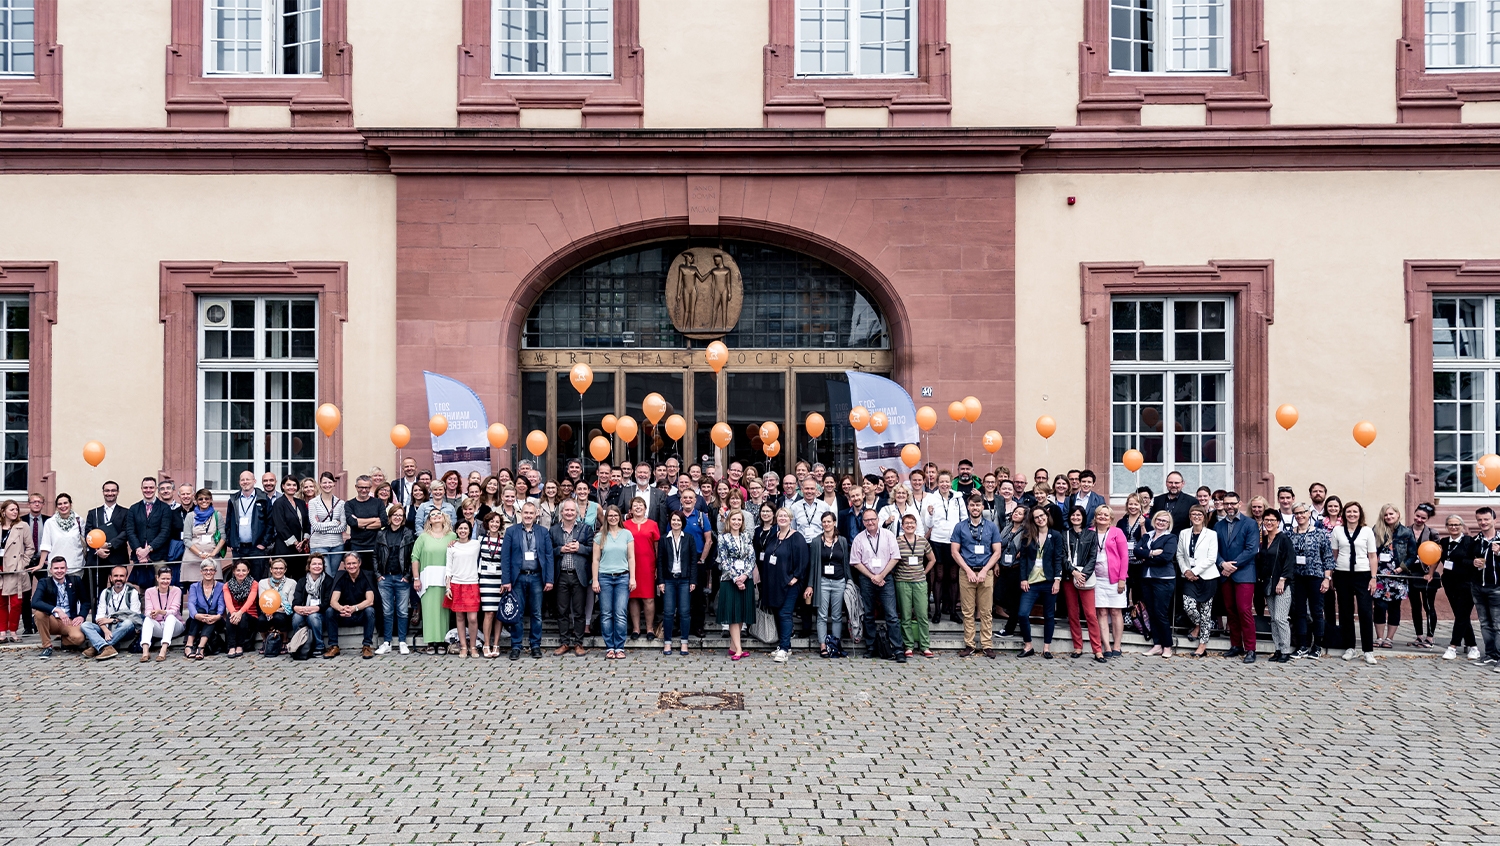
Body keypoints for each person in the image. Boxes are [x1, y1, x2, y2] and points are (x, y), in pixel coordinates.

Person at [849, 507, 905, 662]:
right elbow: (855, 561)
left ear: (878, 519)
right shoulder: (859, 538)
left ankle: (898, 649)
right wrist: (873, 576)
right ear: (863, 522)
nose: (870, 522)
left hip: (885, 578)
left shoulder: (888, 536)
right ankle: (871, 646)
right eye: (866, 520)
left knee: (892, 615)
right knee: (868, 614)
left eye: (872, 519)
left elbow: (895, 557)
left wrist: (881, 576)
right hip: (867, 579)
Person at [951, 495, 1002, 659]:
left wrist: (984, 570)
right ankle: (970, 645)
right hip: (966, 572)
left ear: (982, 507)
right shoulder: (960, 527)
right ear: (968, 506)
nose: (975, 508)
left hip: (985, 572)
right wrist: (968, 570)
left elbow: (997, 552)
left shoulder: (991, 527)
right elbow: (954, 552)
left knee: (986, 611)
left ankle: (987, 645)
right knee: (967, 611)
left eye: (978, 505)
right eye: (972, 505)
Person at [501, 501, 553, 660]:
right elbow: (505, 557)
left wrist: (549, 579)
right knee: (517, 613)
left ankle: (535, 645)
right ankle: (516, 646)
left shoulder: (543, 532)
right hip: (518, 577)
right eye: (525, 513)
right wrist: (506, 580)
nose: (528, 516)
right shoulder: (511, 531)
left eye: (531, 513)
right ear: (521, 514)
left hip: (537, 577)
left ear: (536, 514)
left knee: (536, 613)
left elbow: (549, 557)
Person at [1329, 501, 1379, 665]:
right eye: (1349, 511)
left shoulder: (1367, 531)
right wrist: (1332, 574)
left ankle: (1368, 650)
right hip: (1342, 575)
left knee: (1365, 611)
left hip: (1363, 574)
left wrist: (1373, 577)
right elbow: (1334, 554)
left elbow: (1372, 556)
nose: (1352, 514)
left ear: (1360, 514)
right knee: (1345, 612)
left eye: (1355, 512)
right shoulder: (1337, 530)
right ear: (1344, 514)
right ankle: (1349, 647)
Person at [760, 507, 810, 663]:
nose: (782, 518)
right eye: (780, 516)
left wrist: (795, 577)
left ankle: (783, 648)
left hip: (789, 584)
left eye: (785, 516)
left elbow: (804, 559)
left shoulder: (797, 537)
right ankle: (785, 646)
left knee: (784, 614)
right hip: (773, 583)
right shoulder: (773, 537)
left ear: (790, 519)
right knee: (776, 613)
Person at [1215, 492, 1259, 662]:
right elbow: (1214, 550)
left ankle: (1250, 649)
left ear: (1239, 504)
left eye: (1232, 503)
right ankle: (1236, 645)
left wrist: (1231, 566)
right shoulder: (1218, 526)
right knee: (1231, 611)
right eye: (1226, 504)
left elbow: (1251, 550)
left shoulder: (1250, 524)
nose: (1229, 507)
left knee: (1244, 610)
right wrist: (1221, 563)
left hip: (1244, 574)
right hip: (1225, 574)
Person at [1014, 506, 1063, 658]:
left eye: (1042, 515)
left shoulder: (1055, 536)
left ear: (1047, 516)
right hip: (1031, 582)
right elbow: (1022, 559)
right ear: (1033, 520)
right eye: (1036, 517)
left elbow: (1058, 558)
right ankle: (1028, 646)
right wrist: (1023, 578)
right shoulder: (1028, 535)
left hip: (1049, 581)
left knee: (1049, 615)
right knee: (1022, 614)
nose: (1040, 519)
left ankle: (1046, 648)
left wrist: (1057, 580)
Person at [1288, 502, 1334, 659]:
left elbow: (1328, 558)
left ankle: (1317, 645)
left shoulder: (1320, 533)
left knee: (1316, 612)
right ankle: (1302, 645)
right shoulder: (1290, 534)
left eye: (1302, 512)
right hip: (1297, 577)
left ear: (1309, 514)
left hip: (1315, 576)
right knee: (1299, 611)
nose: (1300, 516)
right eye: (1297, 513)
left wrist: (1327, 578)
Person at [1059, 505, 1104, 662]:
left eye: (1079, 515)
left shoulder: (1091, 535)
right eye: (1073, 515)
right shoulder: (1064, 534)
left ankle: (1097, 650)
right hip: (1070, 577)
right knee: (1073, 613)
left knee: (1091, 614)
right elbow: (1063, 556)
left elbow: (1093, 557)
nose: (1076, 517)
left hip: (1085, 577)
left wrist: (1083, 574)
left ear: (1083, 517)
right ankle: (1077, 646)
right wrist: (1074, 572)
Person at [550, 499, 594, 656]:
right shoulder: (554, 530)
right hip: (561, 574)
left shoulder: (586, 529)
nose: (569, 513)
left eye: (572, 511)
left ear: (577, 513)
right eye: (566, 510)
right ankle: (564, 642)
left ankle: (578, 643)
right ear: (561, 512)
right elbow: (548, 552)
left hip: (578, 575)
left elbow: (593, 550)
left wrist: (580, 548)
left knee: (579, 611)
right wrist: (560, 549)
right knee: (562, 611)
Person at [591, 504, 636, 660]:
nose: (612, 518)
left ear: (619, 516)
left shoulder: (627, 534)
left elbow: (631, 557)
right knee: (606, 614)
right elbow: (595, 560)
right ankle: (609, 647)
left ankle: (620, 647)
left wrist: (632, 577)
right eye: (609, 515)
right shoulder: (599, 536)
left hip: (623, 577)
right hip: (604, 577)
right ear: (605, 517)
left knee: (621, 613)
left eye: (615, 515)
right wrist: (595, 580)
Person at [1177, 505, 1219, 659]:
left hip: (1207, 576)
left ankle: (1202, 645)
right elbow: (1180, 555)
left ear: (1204, 517)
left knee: (1206, 612)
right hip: (1188, 576)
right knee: (1188, 606)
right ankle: (1198, 625)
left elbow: (1211, 558)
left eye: (1199, 514)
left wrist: (1195, 571)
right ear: (1190, 516)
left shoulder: (1211, 534)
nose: (1196, 517)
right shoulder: (1184, 533)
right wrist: (1186, 571)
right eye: (1193, 514)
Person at [1135, 510, 1178, 657]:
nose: (1161, 522)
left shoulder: (1170, 537)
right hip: (1147, 578)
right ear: (1154, 520)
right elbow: (1136, 551)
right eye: (1158, 519)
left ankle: (1167, 646)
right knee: (1151, 612)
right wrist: (1152, 553)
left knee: (1161, 613)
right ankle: (1157, 644)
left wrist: (1145, 555)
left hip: (1163, 579)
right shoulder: (1147, 535)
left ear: (1168, 524)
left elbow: (1166, 557)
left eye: (1164, 521)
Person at [1372, 503, 1415, 650]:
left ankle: (1389, 638)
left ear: (1397, 514)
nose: (1389, 517)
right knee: (1379, 606)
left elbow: (1412, 554)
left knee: (1394, 608)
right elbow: (1371, 552)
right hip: (1380, 575)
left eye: (1391, 514)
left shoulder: (1406, 532)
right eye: (1386, 514)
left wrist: (1401, 568)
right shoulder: (1376, 530)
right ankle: (1379, 637)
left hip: (1397, 576)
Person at [806, 511, 849, 657]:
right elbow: (812, 565)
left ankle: (835, 644)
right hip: (823, 582)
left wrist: (849, 582)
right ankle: (823, 645)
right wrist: (810, 585)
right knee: (822, 615)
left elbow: (846, 563)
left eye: (829, 521)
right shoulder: (816, 541)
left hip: (839, 581)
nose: (826, 524)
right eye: (824, 521)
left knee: (837, 616)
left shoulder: (842, 541)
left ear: (834, 522)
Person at [1255, 509, 1296, 663]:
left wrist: (1283, 580)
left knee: (1281, 618)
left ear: (1278, 522)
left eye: (1272, 520)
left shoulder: (1284, 539)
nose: (1269, 523)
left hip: (1281, 584)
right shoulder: (1264, 540)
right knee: (1273, 619)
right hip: (1267, 584)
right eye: (1266, 520)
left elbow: (1289, 561)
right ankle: (1277, 649)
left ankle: (1286, 650)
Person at [1088, 505, 1129, 659]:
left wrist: (1122, 579)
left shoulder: (1117, 532)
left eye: (1106, 515)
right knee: (1102, 612)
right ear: (1095, 516)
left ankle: (1117, 645)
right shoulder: (1089, 532)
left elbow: (1124, 557)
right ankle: (1106, 646)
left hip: (1114, 579)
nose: (1102, 517)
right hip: (1096, 579)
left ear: (1111, 518)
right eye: (1100, 514)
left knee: (1116, 611)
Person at [656, 510, 698, 656]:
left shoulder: (689, 538)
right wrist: (660, 581)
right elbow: (659, 561)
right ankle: (667, 643)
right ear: (670, 522)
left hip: (684, 579)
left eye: (678, 520)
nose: (675, 523)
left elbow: (693, 561)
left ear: (683, 523)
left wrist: (693, 580)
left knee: (684, 612)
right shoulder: (664, 539)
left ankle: (684, 642)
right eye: (673, 520)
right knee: (668, 612)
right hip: (668, 579)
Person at [413, 511, 456, 654]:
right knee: (429, 610)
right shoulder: (423, 537)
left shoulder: (452, 536)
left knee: (443, 611)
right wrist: (416, 578)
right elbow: (415, 558)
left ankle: (443, 641)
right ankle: (430, 642)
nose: (436, 516)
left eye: (439, 514)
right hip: (428, 579)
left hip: (445, 580)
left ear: (444, 518)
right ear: (429, 521)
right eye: (432, 515)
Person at [716, 509, 756, 660]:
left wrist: (744, 576)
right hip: (729, 580)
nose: (736, 522)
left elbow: (752, 558)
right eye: (734, 520)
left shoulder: (746, 536)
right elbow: (724, 560)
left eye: (739, 520)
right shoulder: (723, 538)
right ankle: (739, 649)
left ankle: (733, 646)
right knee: (732, 615)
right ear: (728, 521)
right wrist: (736, 578)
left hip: (746, 579)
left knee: (740, 614)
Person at [1437, 514, 1478, 661]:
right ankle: (1473, 646)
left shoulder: (1469, 541)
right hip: (1449, 583)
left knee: (1461, 615)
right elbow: (1437, 559)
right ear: (1447, 527)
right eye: (1450, 525)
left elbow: (1473, 561)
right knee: (1461, 616)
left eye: (1456, 525)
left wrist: (1460, 561)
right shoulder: (1444, 542)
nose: (1453, 527)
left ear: (1462, 526)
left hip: (1466, 583)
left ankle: (1453, 647)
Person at [374, 505, 414, 656]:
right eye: (395, 515)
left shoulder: (408, 534)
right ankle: (387, 642)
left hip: (402, 577)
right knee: (387, 611)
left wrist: (408, 576)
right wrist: (378, 574)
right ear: (389, 517)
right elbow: (375, 556)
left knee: (403, 611)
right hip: (385, 578)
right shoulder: (381, 534)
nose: (397, 517)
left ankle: (402, 642)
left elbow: (412, 557)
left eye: (400, 515)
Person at [924, 474, 964, 625]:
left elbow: (964, 518)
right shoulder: (932, 498)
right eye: (942, 482)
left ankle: (953, 611)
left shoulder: (958, 498)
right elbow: (929, 523)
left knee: (953, 577)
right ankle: (938, 612)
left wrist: (960, 537)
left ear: (951, 483)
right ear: (938, 483)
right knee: (939, 576)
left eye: (947, 482)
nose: (944, 484)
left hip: (954, 541)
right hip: (938, 540)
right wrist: (929, 513)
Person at [894, 512, 934, 658]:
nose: (909, 525)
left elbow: (932, 559)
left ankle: (925, 645)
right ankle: (908, 645)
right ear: (902, 526)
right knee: (905, 616)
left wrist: (924, 572)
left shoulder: (923, 541)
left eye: (912, 523)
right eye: (906, 523)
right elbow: (893, 560)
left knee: (922, 615)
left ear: (916, 525)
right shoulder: (897, 541)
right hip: (902, 581)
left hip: (919, 582)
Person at [80, 565, 140, 660]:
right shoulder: (105, 592)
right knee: (85, 625)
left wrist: (112, 620)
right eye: (116, 576)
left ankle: (97, 647)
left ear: (126, 578)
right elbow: (99, 616)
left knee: (128, 623)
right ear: (110, 578)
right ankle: (106, 647)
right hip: (107, 630)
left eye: (121, 576)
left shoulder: (132, 592)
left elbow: (135, 617)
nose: (118, 579)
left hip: (125, 630)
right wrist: (105, 630)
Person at [439, 521, 480, 658]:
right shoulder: (452, 546)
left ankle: (473, 646)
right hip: (456, 584)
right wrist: (447, 587)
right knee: (460, 617)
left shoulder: (476, 544)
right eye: (460, 528)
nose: (463, 531)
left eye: (465, 528)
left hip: (472, 583)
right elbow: (448, 568)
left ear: (470, 530)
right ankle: (463, 646)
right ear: (456, 530)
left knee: (472, 618)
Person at [83, 481, 130, 598]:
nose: (110, 493)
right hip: (98, 558)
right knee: (98, 593)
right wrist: (97, 549)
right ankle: (99, 615)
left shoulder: (126, 512)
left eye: (113, 490)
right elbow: (88, 534)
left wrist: (108, 545)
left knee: (119, 591)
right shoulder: (93, 513)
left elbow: (126, 532)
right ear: (103, 492)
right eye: (107, 490)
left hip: (118, 556)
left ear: (118, 492)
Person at [626, 496, 661, 642]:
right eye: (635, 505)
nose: (638, 507)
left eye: (641, 505)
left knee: (649, 598)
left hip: (648, 565)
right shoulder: (625, 525)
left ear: (646, 508)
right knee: (633, 598)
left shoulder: (653, 524)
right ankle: (635, 628)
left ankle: (650, 628)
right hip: (630, 566)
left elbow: (657, 548)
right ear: (631, 509)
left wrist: (658, 567)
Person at [225, 470, 271, 579]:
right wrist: (230, 541)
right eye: (242, 480)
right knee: (239, 580)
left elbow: (270, 523)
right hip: (238, 548)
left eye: (248, 479)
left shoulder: (263, 499)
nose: (245, 482)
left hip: (257, 547)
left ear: (254, 481)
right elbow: (228, 522)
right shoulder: (233, 499)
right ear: (239, 482)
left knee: (257, 580)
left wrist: (264, 543)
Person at [0, 499, 35, 642]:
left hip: (15, 569)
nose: (15, 512)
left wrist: (22, 564)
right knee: (1, 602)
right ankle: (2, 632)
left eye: (16, 509)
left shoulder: (22, 526)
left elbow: (30, 547)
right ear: (3, 512)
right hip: (1, 568)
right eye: (11, 509)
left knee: (16, 603)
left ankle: (13, 631)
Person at [290, 554, 337, 659]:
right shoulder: (302, 581)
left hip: (321, 613)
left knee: (313, 616)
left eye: (320, 564)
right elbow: (296, 599)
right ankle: (299, 645)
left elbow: (327, 601)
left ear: (323, 566)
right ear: (309, 566)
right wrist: (297, 608)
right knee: (296, 617)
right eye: (314, 564)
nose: (317, 566)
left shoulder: (328, 581)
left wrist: (316, 608)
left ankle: (319, 646)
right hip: (304, 610)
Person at [127, 478, 172, 581]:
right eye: (145, 487)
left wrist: (148, 549)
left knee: (161, 586)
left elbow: (165, 532)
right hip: (139, 557)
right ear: (141, 489)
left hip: (158, 556)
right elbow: (130, 531)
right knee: (143, 588)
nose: (148, 490)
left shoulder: (164, 508)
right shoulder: (134, 508)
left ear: (156, 489)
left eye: (151, 487)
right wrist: (139, 549)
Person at [1471, 506, 1500, 668]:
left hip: (1496, 588)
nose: (1483, 522)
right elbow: (1464, 561)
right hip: (1477, 587)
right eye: (1480, 520)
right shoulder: (1475, 541)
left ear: (1494, 520)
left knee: (1498, 624)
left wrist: (1499, 554)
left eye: (1486, 519)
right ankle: (1490, 655)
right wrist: (1472, 563)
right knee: (1484, 623)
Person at [1409, 503, 1439, 649]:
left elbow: (1436, 555)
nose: (1419, 519)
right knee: (1415, 606)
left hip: (1427, 574)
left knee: (1428, 606)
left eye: (1423, 518)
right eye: (1417, 516)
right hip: (1411, 574)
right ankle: (1419, 636)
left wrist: (1430, 573)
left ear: (1427, 519)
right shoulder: (1405, 530)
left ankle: (1430, 637)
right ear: (1414, 514)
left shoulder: (1432, 533)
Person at [38, 493, 85, 584]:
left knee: (73, 596)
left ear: (70, 504)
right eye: (60, 504)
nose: (63, 506)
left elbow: (84, 541)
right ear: (56, 507)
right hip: (56, 568)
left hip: (75, 567)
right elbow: (46, 545)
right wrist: (40, 564)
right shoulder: (50, 522)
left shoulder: (79, 521)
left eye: (65, 503)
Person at [183, 561, 225, 660]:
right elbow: (191, 603)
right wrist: (196, 615)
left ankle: (200, 647)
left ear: (215, 572)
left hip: (215, 620)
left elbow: (221, 605)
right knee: (199, 611)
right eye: (205, 570)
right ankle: (189, 645)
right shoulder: (194, 586)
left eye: (211, 570)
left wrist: (218, 616)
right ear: (201, 571)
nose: (208, 572)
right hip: (197, 620)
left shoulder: (221, 586)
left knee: (212, 612)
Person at [139, 566, 182, 662]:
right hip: (158, 625)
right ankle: (145, 651)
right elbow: (147, 611)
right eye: (163, 578)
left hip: (175, 626)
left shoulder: (176, 590)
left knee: (170, 617)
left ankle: (163, 650)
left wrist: (160, 611)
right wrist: (152, 614)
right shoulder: (149, 591)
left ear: (171, 579)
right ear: (157, 578)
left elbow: (174, 610)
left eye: (168, 579)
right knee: (147, 619)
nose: (165, 581)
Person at [218, 560, 259, 658]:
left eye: (244, 570)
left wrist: (239, 613)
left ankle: (240, 646)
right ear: (233, 571)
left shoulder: (254, 584)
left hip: (251, 615)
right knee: (229, 616)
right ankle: (232, 647)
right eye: (238, 570)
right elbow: (228, 601)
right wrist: (233, 613)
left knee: (243, 616)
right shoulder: (227, 585)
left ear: (248, 571)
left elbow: (250, 601)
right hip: (234, 614)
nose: (241, 573)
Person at [345, 475, 386, 572]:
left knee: (375, 574)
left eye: (366, 487)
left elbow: (384, 521)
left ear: (370, 487)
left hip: (375, 544)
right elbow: (352, 522)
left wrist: (360, 522)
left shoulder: (378, 502)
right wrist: (374, 519)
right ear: (356, 487)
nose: (364, 490)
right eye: (361, 487)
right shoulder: (349, 504)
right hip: (356, 545)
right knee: (357, 573)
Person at [180, 489, 225, 578]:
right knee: (193, 587)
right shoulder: (190, 516)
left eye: (206, 498)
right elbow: (186, 539)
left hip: (212, 557)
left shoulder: (217, 515)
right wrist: (200, 554)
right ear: (196, 501)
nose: (204, 501)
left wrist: (213, 553)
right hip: (193, 558)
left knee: (213, 587)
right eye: (200, 499)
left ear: (211, 500)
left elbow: (223, 537)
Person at [271, 475, 310, 572]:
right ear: (283, 486)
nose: (291, 487)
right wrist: (295, 542)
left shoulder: (300, 503)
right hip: (284, 548)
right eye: (288, 485)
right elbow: (280, 526)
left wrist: (304, 540)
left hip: (300, 549)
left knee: (299, 577)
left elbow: (306, 522)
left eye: (294, 485)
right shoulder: (278, 503)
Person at [258, 557, 295, 649]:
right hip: (267, 609)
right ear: (271, 569)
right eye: (275, 568)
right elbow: (262, 601)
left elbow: (290, 604)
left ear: (285, 570)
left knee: (279, 617)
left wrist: (276, 610)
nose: (278, 571)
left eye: (281, 568)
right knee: (261, 620)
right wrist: (268, 611)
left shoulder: (291, 583)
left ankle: (285, 640)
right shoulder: (263, 583)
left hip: (284, 611)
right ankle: (265, 640)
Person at [309, 472, 347, 558]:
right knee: (325, 571)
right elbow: (315, 527)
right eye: (324, 482)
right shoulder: (313, 503)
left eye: (330, 482)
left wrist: (322, 529)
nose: (327, 485)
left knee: (333, 572)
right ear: (320, 484)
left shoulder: (341, 503)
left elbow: (343, 527)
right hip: (318, 544)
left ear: (334, 484)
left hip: (337, 544)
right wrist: (334, 523)